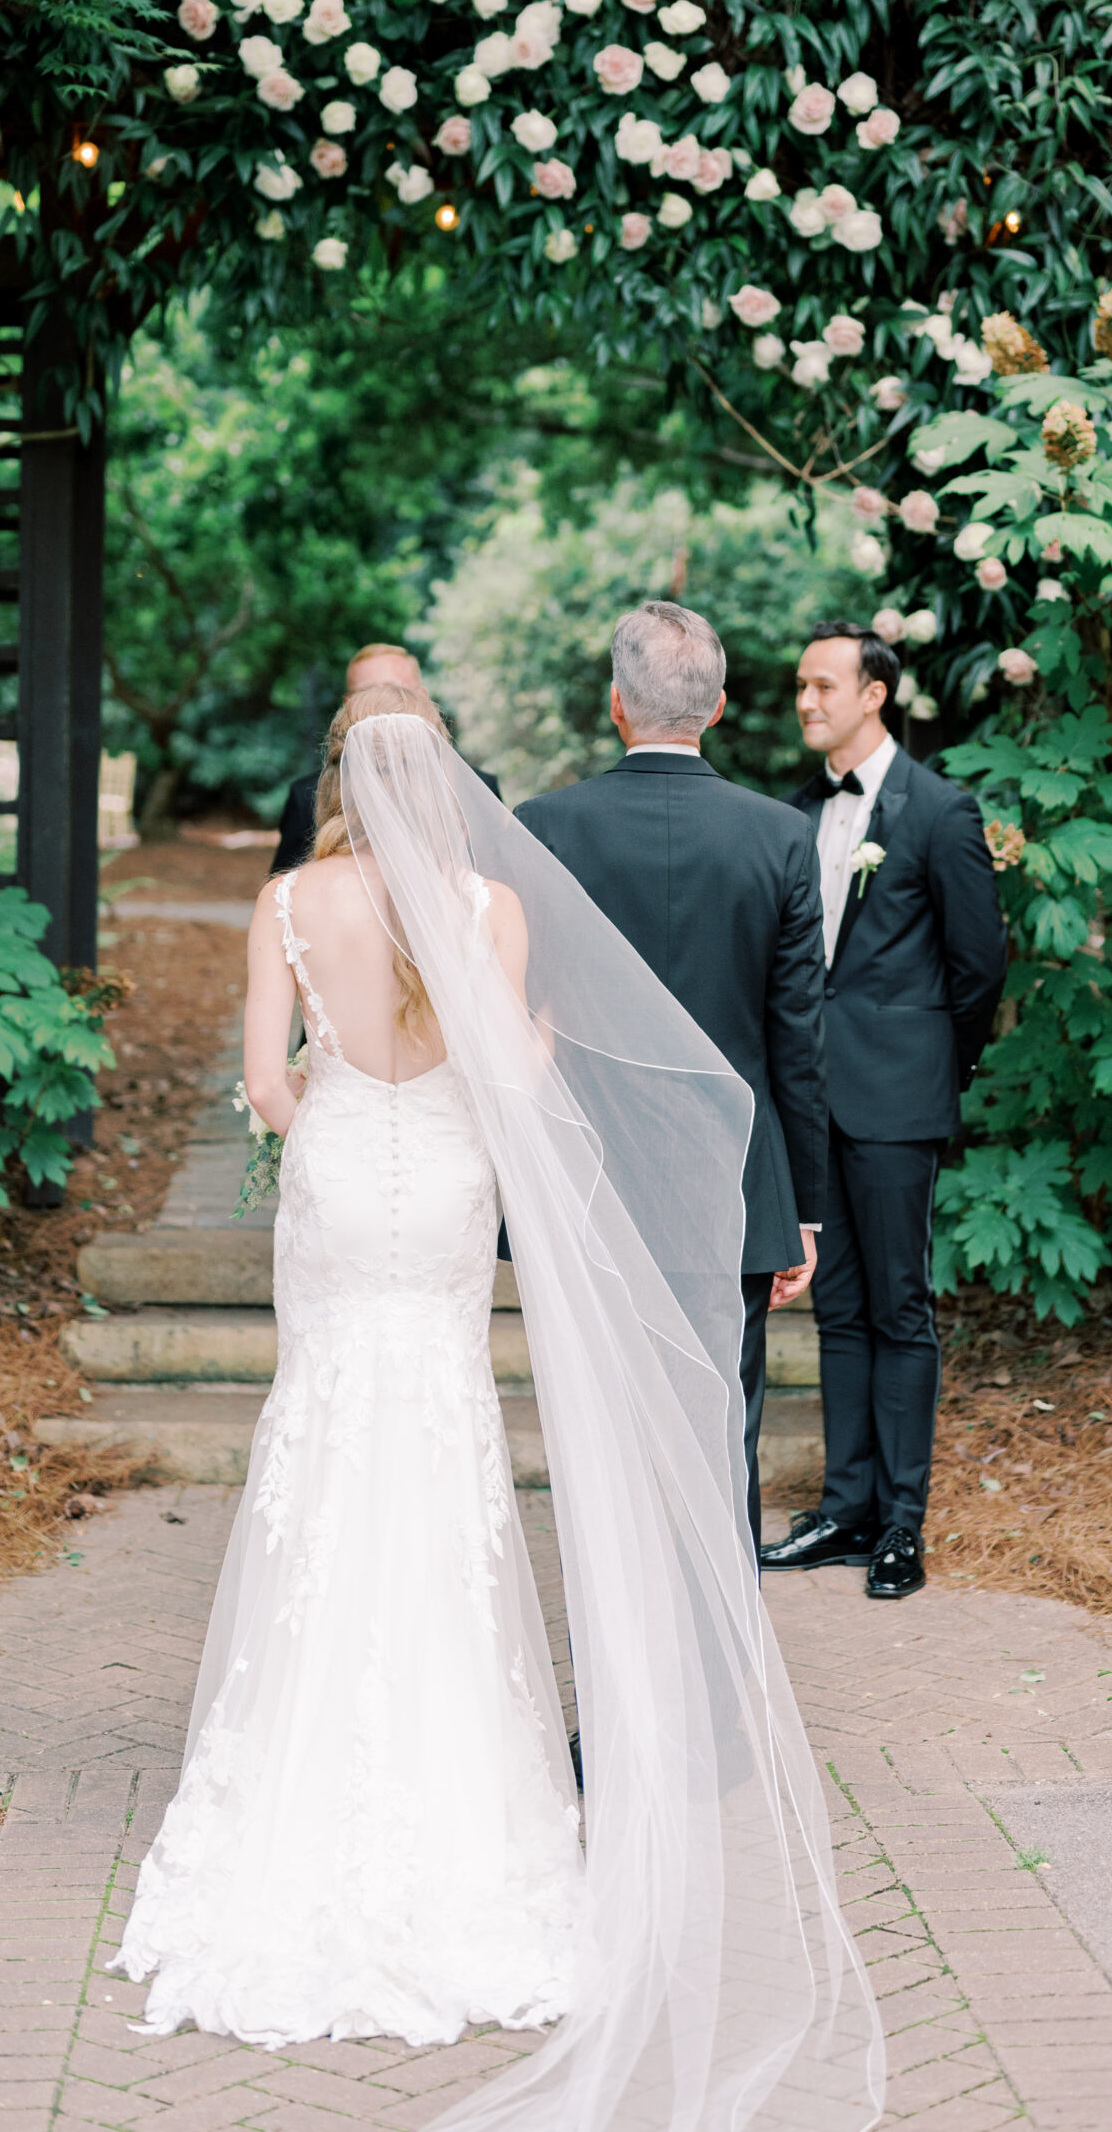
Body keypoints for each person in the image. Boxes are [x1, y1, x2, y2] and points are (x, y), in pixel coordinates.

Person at [113, 686, 884, 2127]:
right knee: (443, 1426)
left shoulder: (288, 899)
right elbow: (518, 1075)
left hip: (341, 1178)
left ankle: (303, 1757)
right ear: (449, 787)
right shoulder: (487, 906)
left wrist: (349, 1114)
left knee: (326, 1422)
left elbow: (263, 1088)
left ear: (342, 778)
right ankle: (459, 1781)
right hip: (450, 1185)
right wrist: (478, 1075)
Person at [514, 601, 828, 1559]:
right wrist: (802, 1210)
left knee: (604, 1438)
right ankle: (726, 1698)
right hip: (726, 1186)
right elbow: (796, 1045)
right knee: (719, 1427)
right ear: (719, 708)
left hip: (590, 1182)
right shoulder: (777, 837)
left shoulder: (543, 830)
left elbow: (518, 1020)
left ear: (616, 704)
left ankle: (621, 1703)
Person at [759, 621, 1007, 1601]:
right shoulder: (793, 815)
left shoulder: (938, 811)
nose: (805, 702)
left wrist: (931, 1068)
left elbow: (978, 965)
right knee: (837, 1309)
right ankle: (842, 1507)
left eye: (822, 686)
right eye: (797, 688)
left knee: (900, 1310)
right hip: (809, 1102)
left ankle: (900, 1526)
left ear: (874, 693)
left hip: (897, 1100)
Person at [269, 644, 498, 870]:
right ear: (347, 704)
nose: (381, 703)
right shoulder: (307, 795)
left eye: (394, 690)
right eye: (367, 692)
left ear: (423, 697)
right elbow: (290, 891)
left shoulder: (481, 788)